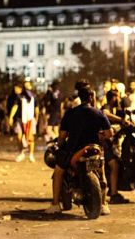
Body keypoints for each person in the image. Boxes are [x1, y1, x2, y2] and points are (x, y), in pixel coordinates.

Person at [46, 84, 113, 215]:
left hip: (73, 150)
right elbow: (109, 133)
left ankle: (55, 204)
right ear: (91, 97)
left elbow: (62, 136)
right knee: (102, 173)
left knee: (59, 171)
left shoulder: (70, 113)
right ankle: (104, 204)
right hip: (94, 148)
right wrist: (101, 136)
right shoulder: (98, 113)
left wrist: (59, 144)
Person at [9, 81, 39, 162]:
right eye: (25, 85)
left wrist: (37, 117)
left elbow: (36, 108)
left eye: (28, 85)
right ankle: (21, 153)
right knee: (19, 137)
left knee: (30, 138)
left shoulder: (34, 97)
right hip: (20, 119)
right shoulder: (19, 97)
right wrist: (11, 117)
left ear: (31, 87)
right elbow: (15, 106)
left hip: (30, 119)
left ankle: (31, 154)